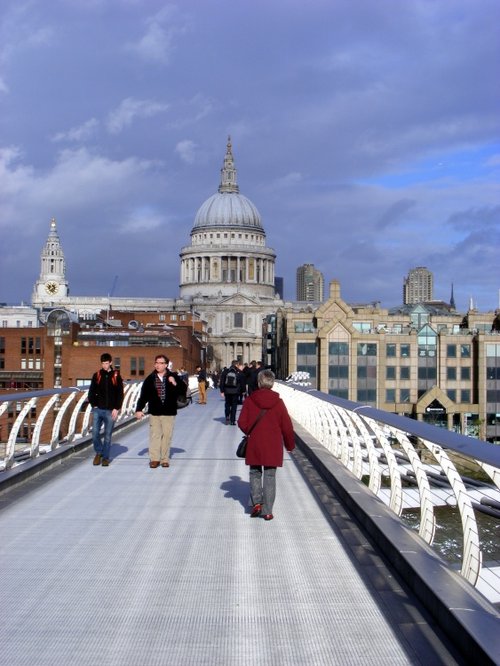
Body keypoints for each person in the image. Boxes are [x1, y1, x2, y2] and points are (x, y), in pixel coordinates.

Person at [237, 369, 294, 520]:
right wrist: (290, 445)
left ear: (259, 382)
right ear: (273, 383)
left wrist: (250, 431)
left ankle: (257, 503)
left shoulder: (250, 400)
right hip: (273, 445)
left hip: (255, 443)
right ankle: (267, 511)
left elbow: (241, 422)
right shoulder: (279, 403)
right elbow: (287, 427)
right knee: (270, 476)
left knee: (255, 473)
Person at [134, 354, 187, 468]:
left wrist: (175, 383)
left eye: (161, 363)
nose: (158, 365)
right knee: (155, 435)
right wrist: (139, 409)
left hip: (169, 411)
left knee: (167, 436)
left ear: (166, 365)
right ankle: (154, 459)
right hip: (155, 411)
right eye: (156, 363)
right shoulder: (150, 378)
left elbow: (183, 390)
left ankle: (164, 459)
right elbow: (143, 396)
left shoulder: (173, 376)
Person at [88, 352, 124, 467]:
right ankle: (99, 452)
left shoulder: (116, 376)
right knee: (94, 433)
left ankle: (105, 458)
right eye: (103, 363)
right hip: (98, 409)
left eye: (107, 363)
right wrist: (94, 405)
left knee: (108, 435)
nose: (105, 365)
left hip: (110, 411)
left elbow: (120, 393)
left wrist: (116, 408)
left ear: (111, 363)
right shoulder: (97, 375)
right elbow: (91, 391)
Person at [220, 360, 245, 425]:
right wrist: (243, 391)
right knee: (234, 406)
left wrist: (222, 391)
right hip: (235, 392)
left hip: (227, 391)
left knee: (227, 403)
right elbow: (242, 383)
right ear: (237, 365)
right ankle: (232, 420)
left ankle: (227, 415)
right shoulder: (239, 372)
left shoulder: (225, 371)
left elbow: (222, 382)